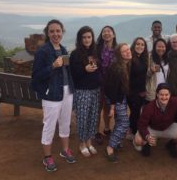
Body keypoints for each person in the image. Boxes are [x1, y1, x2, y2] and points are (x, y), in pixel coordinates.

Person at [31, 19, 76, 172]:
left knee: (65, 122)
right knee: (49, 125)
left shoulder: (63, 49)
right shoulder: (43, 51)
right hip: (51, 94)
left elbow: (67, 72)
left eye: (58, 31)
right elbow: (36, 75)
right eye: (52, 31)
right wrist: (52, 66)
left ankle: (65, 150)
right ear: (47, 33)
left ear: (62, 32)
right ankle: (47, 157)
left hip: (66, 91)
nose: (55, 34)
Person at [133, 83, 177, 158]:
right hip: (152, 128)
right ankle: (147, 144)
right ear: (157, 95)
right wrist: (147, 136)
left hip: (168, 126)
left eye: (166, 94)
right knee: (138, 141)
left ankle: (171, 144)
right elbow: (141, 125)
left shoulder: (174, 102)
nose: (164, 97)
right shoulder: (149, 107)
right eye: (161, 94)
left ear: (170, 94)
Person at [69, 26, 101, 157]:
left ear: (92, 38)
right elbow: (73, 74)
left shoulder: (95, 52)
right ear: (79, 39)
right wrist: (84, 69)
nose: (87, 40)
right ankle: (82, 143)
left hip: (95, 90)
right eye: (84, 37)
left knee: (93, 117)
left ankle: (89, 141)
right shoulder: (75, 54)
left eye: (89, 37)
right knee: (82, 118)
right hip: (82, 91)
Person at [104, 43, 132, 163]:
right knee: (125, 123)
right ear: (119, 55)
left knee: (120, 121)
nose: (128, 52)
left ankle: (117, 142)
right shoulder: (117, 68)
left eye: (128, 49)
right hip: (116, 99)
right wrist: (112, 107)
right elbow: (112, 89)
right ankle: (110, 147)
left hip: (120, 97)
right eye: (124, 51)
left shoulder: (124, 65)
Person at [95, 26, 117, 144]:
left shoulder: (117, 50)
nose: (106, 33)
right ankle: (96, 131)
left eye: (109, 31)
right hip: (98, 83)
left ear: (113, 35)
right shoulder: (97, 48)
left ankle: (107, 128)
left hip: (111, 84)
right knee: (97, 108)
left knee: (107, 108)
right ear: (102, 35)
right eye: (104, 31)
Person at [127, 37, 149, 139]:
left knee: (138, 112)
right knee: (135, 112)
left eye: (142, 45)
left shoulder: (144, 58)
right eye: (138, 44)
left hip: (142, 91)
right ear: (134, 45)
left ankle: (133, 130)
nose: (140, 46)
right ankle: (133, 131)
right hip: (132, 92)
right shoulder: (130, 59)